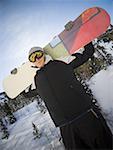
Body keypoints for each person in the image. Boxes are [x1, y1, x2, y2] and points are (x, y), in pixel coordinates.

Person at [23, 42, 112, 149]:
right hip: (65, 125)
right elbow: (25, 94)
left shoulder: (61, 62)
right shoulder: (36, 80)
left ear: (43, 54)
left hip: (85, 114)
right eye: (33, 57)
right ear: (31, 62)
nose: (37, 59)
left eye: (38, 54)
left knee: (104, 145)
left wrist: (86, 39)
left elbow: (86, 54)